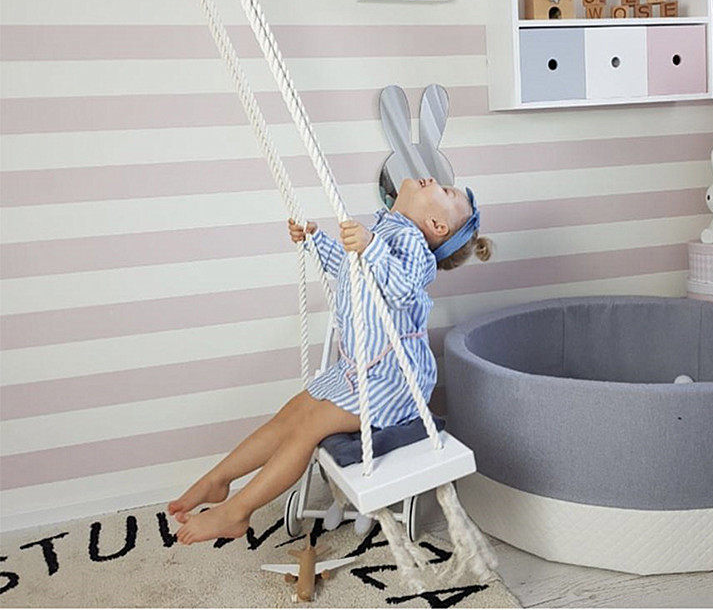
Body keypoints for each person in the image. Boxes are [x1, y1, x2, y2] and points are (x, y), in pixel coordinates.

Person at [167, 177, 491, 544]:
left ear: (436, 226)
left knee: (307, 429)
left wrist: (370, 246)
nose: (432, 180)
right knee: (292, 413)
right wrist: (315, 241)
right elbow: (349, 270)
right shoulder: (386, 229)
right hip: (359, 370)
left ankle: (237, 512)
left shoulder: (414, 246)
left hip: (392, 382)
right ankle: (219, 479)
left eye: (445, 191)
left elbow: (402, 290)